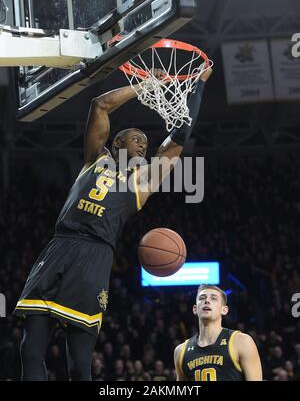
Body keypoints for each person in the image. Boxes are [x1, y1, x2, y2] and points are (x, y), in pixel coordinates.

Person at [14, 67, 213, 381]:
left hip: (94, 256)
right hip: (59, 246)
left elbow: (181, 135)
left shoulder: (143, 180)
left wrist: (198, 86)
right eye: (136, 139)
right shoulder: (96, 158)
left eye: (146, 144)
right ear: (117, 142)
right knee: (29, 350)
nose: (143, 145)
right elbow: (100, 105)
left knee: (79, 363)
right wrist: (146, 85)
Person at [174, 285, 263, 381]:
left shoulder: (241, 341)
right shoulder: (180, 351)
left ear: (224, 310)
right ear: (195, 309)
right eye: (202, 298)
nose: (207, 301)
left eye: (213, 298)